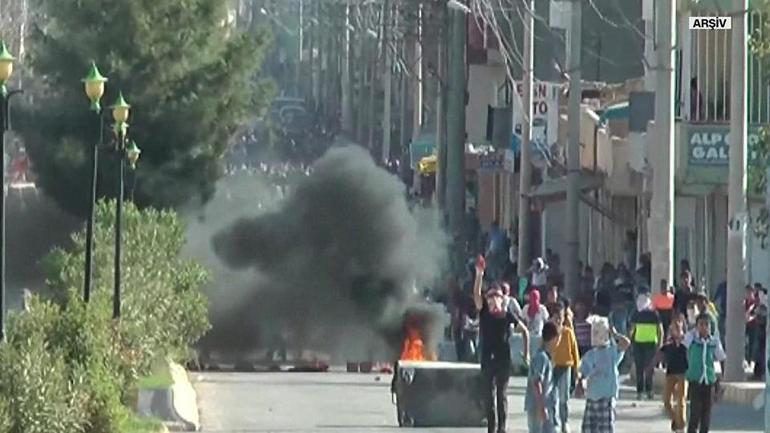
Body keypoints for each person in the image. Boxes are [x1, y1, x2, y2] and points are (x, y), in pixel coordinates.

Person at [473, 257, 530, 433]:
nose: (491, 300)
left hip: (503, 359)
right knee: (488, 396)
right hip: (487, 358)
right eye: (489, 297)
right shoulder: (484, 313)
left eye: (495, 297)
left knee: (501, 395)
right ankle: (492, 428)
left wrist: (526, 353)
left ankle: (502, 429)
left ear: (501, 299)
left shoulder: (507, 315)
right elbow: (476, 294)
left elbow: (525, 331)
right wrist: (479, 275)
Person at [577, 316, 631, 433]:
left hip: (606, 398)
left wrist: (614, 334)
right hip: (592, 398)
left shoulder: (612, 352)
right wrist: (581, 384)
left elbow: (626, 343)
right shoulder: (590, 355)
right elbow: (583, 372)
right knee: (588, 429)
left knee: (605, 429)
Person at [684, 313, 726, 433]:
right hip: (695, 379)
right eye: (701, 324)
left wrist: (721, 379)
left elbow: (721, 358)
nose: (704, 327)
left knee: (706, 414)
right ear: (696, 326)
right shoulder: (692, 338)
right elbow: (683, 347)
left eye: (706, 325)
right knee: (695, 412)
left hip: (709, 380)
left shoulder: (714, 341)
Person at [651, 322, 689, 433]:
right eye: (673, 329)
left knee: (681, 400)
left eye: (678, 328)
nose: (676, 331)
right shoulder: (668, 345)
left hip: (683, 373)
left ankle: (681, 427)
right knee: (666, 401)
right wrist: (652, 366)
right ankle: (675, 420)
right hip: (670, 374)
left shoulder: (686, 343)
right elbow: (659, 355)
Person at [549, 303, 580, 433]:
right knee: (551, 396)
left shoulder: (568, 332)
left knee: (564, 398)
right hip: (553, 367)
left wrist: (577, 369)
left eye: (560, 317)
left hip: (566, 366)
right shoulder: (549, 332)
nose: (558, 319)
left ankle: (564, 422)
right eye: (556, 317)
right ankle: (553, 421)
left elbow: (575, 351)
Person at [525, 321, 560, 433]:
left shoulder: (545, 357)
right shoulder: (542, 358)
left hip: (545, 406)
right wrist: (541, 407)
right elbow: (537, 382)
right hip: (538, 407)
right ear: (554, 338)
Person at [630, 292, 663, 400]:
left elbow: (660, 330)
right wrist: (631, 342)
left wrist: (659, 345)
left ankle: (649, 390)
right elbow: (632, 329)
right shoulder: (636, 313)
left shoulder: (654, 314)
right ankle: (639, 391)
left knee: (649, 368)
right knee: (639, 368)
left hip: (651, 344)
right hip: (638, 344)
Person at [525, 289, 551, 358]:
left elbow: (546, 322)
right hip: (528, 338)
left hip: (539, 338)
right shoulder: (526, 308)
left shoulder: (542, 309)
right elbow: (522, 321)